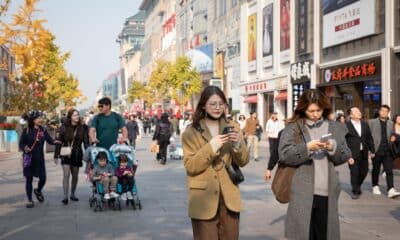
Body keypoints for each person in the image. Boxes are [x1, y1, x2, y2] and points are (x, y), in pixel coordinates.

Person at [278, 89, 351, 240]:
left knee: (324, 234)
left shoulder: (334, 127)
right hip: (301, 191)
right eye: (311, 111)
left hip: (328, 192)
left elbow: (345, 154)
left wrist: (333, 147)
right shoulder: (294, 127)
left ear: (324, 108)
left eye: (318, 110)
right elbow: (284, 154)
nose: (315, 114)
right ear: (303, 109)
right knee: (303, 234)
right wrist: (307, 148)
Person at [182, 86, 249, 240]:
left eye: (221, 104)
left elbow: (243, 161)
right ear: (203, 105)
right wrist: (212, 147)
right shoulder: (190, 133)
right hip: (203, 198)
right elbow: (191, 166)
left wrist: (238, 144)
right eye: (213, 104)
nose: (217, 108)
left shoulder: (233, 128)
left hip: (229, 197)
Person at [19, 110, 61, 208]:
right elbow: (21, 143)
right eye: (38, 118)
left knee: (43, 178)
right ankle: (29, 199)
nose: (40, 119)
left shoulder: (43, 130)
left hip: (39, 158)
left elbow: (50, 140)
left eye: (40, 118)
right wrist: (25, 147)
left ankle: (38, 190)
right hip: (28, 158)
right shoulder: (26, 130)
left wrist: (56, 141)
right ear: (33, 120)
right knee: (28, 179)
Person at [54, 108, 89, 205]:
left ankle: (72, 194)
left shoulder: (83, 127)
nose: (76, 116)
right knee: (66, 175)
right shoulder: (64, 127)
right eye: (74, 115)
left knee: (75, 176)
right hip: (66, 153)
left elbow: (86, 142)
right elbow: (59, 141)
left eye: (77, 115)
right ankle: (65, 196)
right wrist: (56, 155)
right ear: (70, 117)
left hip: (77, 153)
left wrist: (88, 153)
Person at [369, 105, 400, 198]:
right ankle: (375, 185)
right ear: (379, 112)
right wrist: (370, 151)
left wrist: (394, 138)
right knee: (376, 169)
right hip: (376, 150)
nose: (384, 112)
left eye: (386, 111)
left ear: (388, 113)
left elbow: (394, 134)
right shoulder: (371, 122)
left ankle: (390, 189)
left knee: (389, 170)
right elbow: (368, 137)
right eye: (382, 111)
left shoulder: (391, 123)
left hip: (387, 151)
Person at [344, 107, 375, 199]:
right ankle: (355, 191)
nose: (359, 113)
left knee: (364, 171)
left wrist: (372, 150)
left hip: (364, 152)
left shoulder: (365, 124)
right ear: (351, 115)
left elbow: (369, 138)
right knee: (354, 172)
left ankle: (357, 185)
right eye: (356, 112)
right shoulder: (346, 126)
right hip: (352, 153)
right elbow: (343, 141)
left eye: (359, 111)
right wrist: (347, 155)